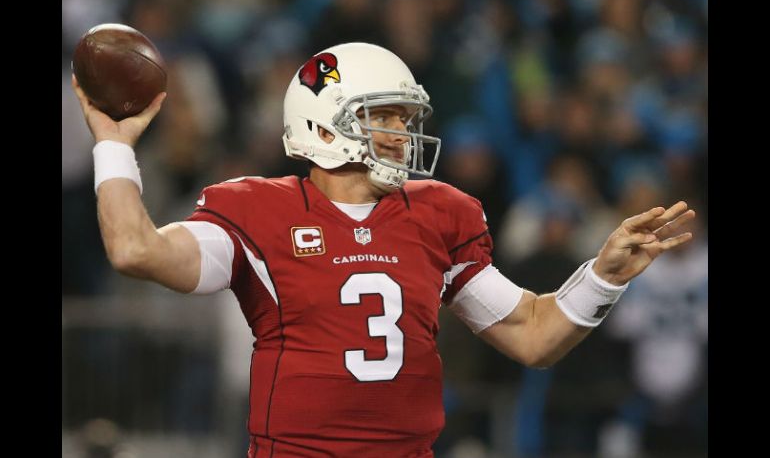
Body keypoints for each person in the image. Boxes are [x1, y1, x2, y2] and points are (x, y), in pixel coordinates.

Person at [72, 42, 695, 458]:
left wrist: (604, 278)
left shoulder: (438, 213)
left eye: (404, 118)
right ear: (323, 124)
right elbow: (135, 250)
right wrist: (113, 144)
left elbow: (533, 334)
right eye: (386, 117)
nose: (403, 134)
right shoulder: (257, 211)